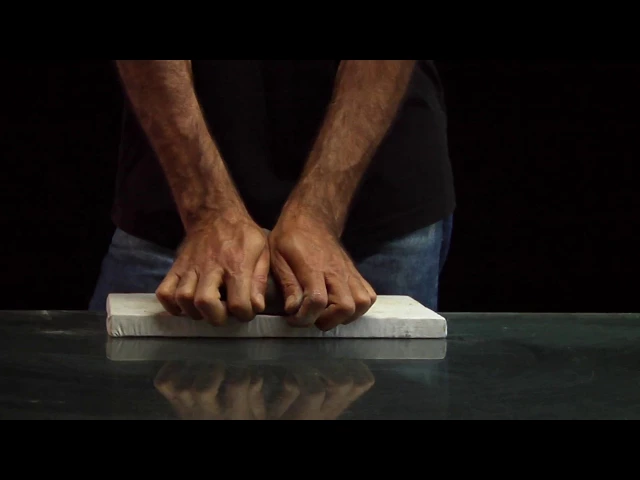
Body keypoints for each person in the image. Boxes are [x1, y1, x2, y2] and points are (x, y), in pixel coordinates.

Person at [89, 60, 455, 332]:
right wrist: (206, 209)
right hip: (174, 208)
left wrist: (319, 211)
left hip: (375, 202)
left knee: (388, 400)